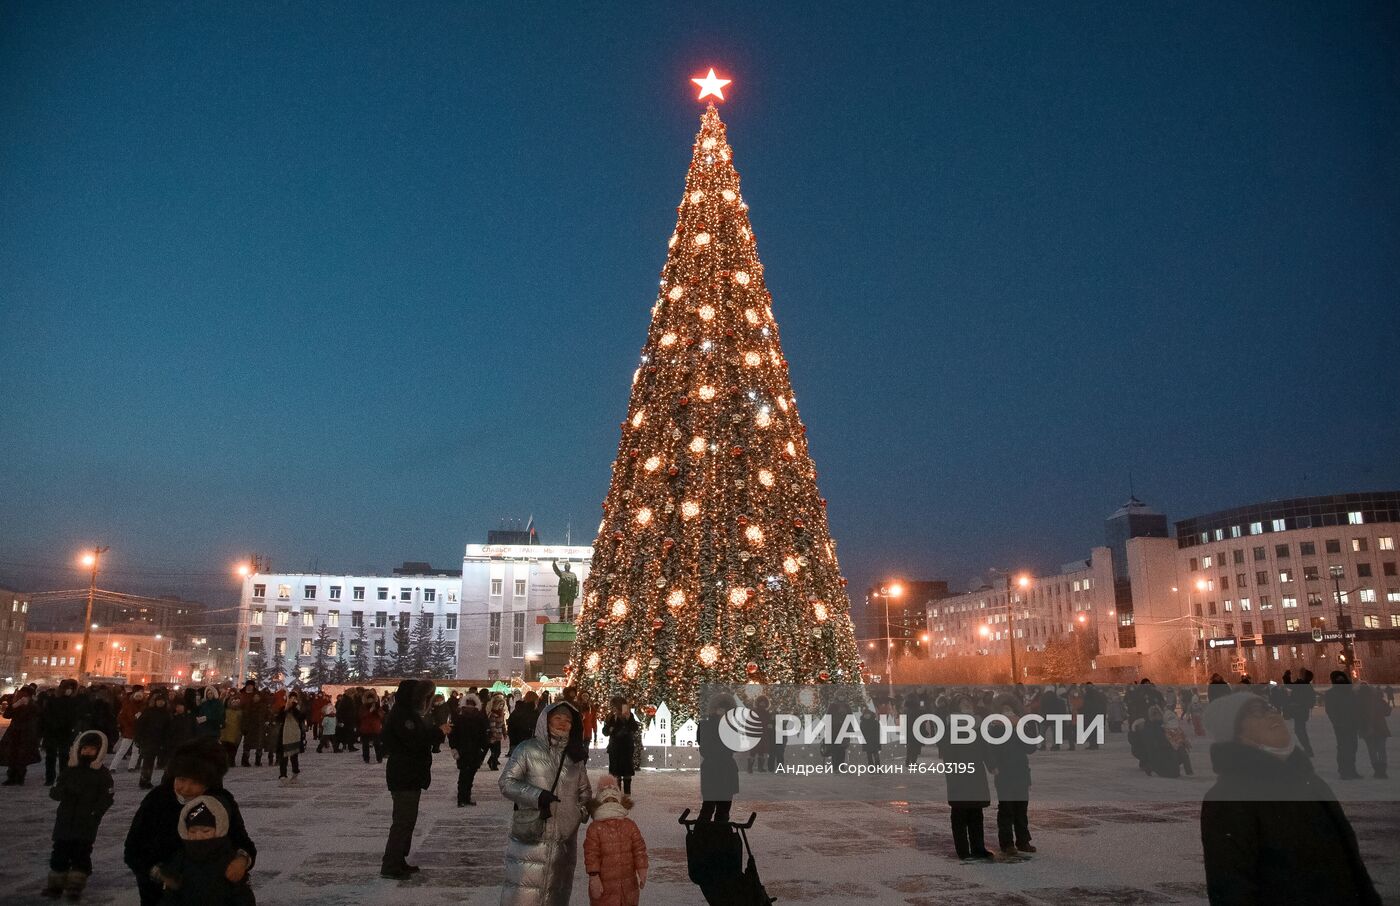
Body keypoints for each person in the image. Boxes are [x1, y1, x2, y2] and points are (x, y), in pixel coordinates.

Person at [1200, 692, 1380, 904]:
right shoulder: (1227, 798)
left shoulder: (1311, 782)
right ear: (1234, 733)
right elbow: (1231, 887)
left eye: (1271, 708)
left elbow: (1351, 861)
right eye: (1257, 712)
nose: (1272, 715)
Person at [125, 737, 256, 906]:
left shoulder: (220, 802)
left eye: (195, 782)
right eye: (181, 779)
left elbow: (242, 842)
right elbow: (133, 849)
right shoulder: (158, 799)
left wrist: (241, 860)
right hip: (163, 895)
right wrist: (159, 873)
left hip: (214, 892)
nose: (186, 788)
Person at [499, 700, 592, 906]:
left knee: (555, 897)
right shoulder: (527, 749)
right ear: (546, 720)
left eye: (567, 720)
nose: (562, 723)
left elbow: (585, 793)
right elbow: (506, 783)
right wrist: (536, 795)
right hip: (530, 839)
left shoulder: (575, 757)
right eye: (557, 718)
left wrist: (578, 813)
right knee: (524, 895)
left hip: (563, 844)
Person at [380, 679, 449, 879]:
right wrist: (438, 732)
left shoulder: (407, 714)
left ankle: (399, 859)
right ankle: (391, 864)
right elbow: (414, 741)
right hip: (404, 775)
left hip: (409, 774)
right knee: (402, 821)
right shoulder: (403, 716)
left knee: (407, 821)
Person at [43, 729, 115, 898]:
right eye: (85, 749)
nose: (87, 752)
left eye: (91, 749)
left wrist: (95, 813)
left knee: (81, 854)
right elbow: (56, 790)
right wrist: (61, 792)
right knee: (59, 852)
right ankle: (55, 885)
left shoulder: (102, 774)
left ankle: (75, 886)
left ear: (99, 751)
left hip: (86, 822)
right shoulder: (70, 770)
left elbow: (107, 797)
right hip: (65, 819)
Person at [152, 795, 256, 905]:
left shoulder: (229, 860)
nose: (199, 836)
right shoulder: (180, 857)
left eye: (206, 831)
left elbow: (242, 897)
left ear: (219, 829)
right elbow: (170, 895)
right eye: (193, 831)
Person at [939, 694, 994, 862]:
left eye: (968, 702)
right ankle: (963, 850)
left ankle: (978, 847)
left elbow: (984, 747)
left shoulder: (977, 725)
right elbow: (946, 750)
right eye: (962, 703)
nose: (966, 705)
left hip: (976, 772)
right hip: (959, 773)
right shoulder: (951, 726)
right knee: (960, 813)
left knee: (976, 813)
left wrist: (991, 765)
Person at [583, 774, 648, 906]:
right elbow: (591, 854)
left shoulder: (629, 825)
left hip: (628, 885)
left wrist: (642, 868)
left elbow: (639, 849)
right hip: (605, 887)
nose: (610, 804)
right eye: (607, 801)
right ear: (600, 804)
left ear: (619, 802)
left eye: (613, 800)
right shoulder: (595, 828)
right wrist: (594, 876)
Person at [987, 695, 1035, 856]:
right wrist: (993, 766)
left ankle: (1023, 840)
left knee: (1021, 808)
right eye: (1004, 710)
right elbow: (990, 749)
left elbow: (1031, 747)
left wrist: (1020, 728)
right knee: (1006, 808)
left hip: (1020, 770)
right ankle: (1007, 843)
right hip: (1004, 772)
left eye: (1010, 710)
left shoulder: (1021, 726)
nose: (1008, 713)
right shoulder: (994, 727)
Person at [696, 692, 738, 823]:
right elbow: (705, 749)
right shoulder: (705, 725)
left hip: (725, 768)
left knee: (723, 809)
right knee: (708, 807)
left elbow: (735, 746)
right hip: (713, 768)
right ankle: (703, 836)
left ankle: (720, 836)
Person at [449, 694, 489, 806]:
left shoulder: (462, 718)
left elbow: (483, 736)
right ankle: (462, 798)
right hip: (467, 751)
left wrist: (454, 748)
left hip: (470, 751)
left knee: (468, 775)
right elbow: (453, 735)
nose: (470, 708)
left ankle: (465, 798)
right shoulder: (462, 718)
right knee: (465, 776)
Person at [1323, 670, 1362, 779]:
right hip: (1341, 725)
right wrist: (1337, 722)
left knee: (1352, 747)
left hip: (1351, 724)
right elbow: (1330, 710)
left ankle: (1351, 769)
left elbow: (1356, 707)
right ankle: (1345, 771)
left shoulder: (1349, 692)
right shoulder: (1332, 694)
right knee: (1344, 747)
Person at [0, 684, 42, 785]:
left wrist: (29, 705)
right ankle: (11, 777)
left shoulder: (33, 705)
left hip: (26, 734)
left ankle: (20, 777)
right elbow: (6, 715)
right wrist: (14, 705)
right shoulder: (16, 703)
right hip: (14, 733)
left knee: (22, 757)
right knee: (12, 755)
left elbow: (38, 714)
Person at [134, 692, 172, 790]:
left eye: (162, 701)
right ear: (155, 702)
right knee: (148, 762)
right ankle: (144, 780)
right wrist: (138, 738)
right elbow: (140, 725)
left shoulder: (167, 713)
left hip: (160, 741)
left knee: (159, 763)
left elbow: (168, 729)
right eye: (159, 701)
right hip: (149, 740)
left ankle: (153, 780)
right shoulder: (149, 711)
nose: (160, 703)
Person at [602, 696, 640, 795]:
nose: (613, 708)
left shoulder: (628, 715)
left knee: (627, 770)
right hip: (614, 747)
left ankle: (627, 793)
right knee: (615, 771)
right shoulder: (611, 716)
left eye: (614, 706)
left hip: (626, 747)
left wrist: (627, 719)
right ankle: (617, 792)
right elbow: (605, 731)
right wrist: (610, 729)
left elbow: (634, 727)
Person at [1357, 683, 1391, 779]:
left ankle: (1377, 771)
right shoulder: (1377, 699)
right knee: (1381, 750)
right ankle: (1382, 771)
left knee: (1372, 751)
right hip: (1380, 728)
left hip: (1366, 728)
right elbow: (1387, 712)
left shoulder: (1358, 701)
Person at [1287, 669, 1316, 756]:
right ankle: (1308, 749)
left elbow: (1289, 685)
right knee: (1300, 730)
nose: (1300, 675)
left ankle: (1308, 749)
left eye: (1301, 674)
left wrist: (1286, 676)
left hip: (1299, 711)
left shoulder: (1302, 684)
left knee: (1300, 731)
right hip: (1301, 711)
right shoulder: (1306, 685)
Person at [275, 696, 304, 783]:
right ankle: (283, 775)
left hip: (295, 736)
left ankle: (295, 774)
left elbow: (301, 717)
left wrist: (293, 708)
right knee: (283, 757)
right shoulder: (283, 709)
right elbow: (279, 718)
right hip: (284, 736)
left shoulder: (297, 710)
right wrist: (286, 709)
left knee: (294, 756)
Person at [238, 687, 267, 767]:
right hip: (250, 728)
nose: (256, 698)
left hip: (260, 728)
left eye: (258, 696)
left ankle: (258, 760)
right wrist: (244, 727)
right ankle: (245, 760)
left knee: (259, 745)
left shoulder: (263, 706)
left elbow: (266, 716)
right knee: (247, 745)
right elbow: (245, 717)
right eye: (255, 696)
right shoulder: (249, 706)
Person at [508, 691, 539, 756]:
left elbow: (511, 723)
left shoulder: (518, 708)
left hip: (516, 740)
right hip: (526, 740)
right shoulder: (532, 711)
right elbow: (533, 724)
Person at [359, 695, 385, 764]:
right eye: (369, 699)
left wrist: (376, 710)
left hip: (375, 727)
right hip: (366, 728)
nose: (370, 701)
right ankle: (366, 758)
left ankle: (379, 758)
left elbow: (381, 715)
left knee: (377, 744)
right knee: (365, 744)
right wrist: (370, 711)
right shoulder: (363, 707)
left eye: (371, 699)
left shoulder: (377, 706)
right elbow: (361, 716)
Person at [219, 695, 243, 769]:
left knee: (233, 749)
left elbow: (242, 722)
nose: (235, 703)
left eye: (236, 701)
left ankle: (232, 761)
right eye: (233, 701)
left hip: (235, 733)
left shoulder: (240, 712)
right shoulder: (226, 711)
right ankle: (226, 762)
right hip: (225, 733)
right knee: (225, 748)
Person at [486, 694, 507, 770]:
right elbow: (492, 726)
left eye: (502, 705)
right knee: (495, 751)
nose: (501, 706)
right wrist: (494, 735)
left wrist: (504, 733)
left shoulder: (501, 713)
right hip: (493, 736)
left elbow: (503, 724)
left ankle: (491, 761)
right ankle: (493, 765)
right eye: (500, 705)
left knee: (498, 751)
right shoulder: (493, 714)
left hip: (498, 736)